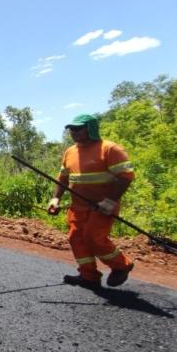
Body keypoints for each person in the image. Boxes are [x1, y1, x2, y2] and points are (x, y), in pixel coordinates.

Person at [47, 114, 136, 289]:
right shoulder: (70, 152)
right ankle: (89, 276)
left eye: (78, 128)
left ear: (91, 129)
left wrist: (110, 202)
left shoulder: (110, 149)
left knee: (93, 237)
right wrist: (55, 198)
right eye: (72, 129)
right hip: (77, 207)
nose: (74, 132)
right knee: (76, 238)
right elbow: (63, 178)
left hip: (101, 206)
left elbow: (126, 177)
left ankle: (122, 265)